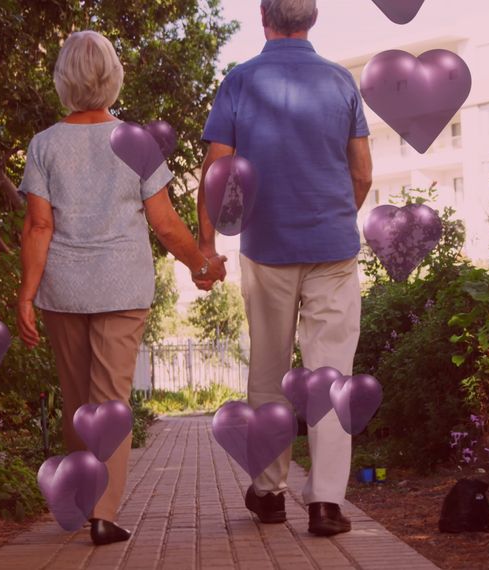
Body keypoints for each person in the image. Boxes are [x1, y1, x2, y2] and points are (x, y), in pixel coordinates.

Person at [15, 30, 227, 546]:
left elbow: (39, 226)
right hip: (123, 290)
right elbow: (166, 224)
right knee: (110, 400)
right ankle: (103, 515)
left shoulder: (45, 144)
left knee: (76, 400)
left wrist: (26, 293)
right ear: (113, 77)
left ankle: (85, 500)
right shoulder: (136, 141)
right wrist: (202, 262)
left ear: (64, 79)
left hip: (63, 290)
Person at [196, 0, 373, 537]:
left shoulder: (241, 80)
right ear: (312, 19)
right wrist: (335, 217)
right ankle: (325, 505)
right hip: (333, 249)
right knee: (330, 376)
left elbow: (217, 172)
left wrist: (206, 245)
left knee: (268, 373)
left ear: (263, 18)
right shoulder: (342, 82)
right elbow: (361, 172)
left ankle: (269, 494)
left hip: (267, 247)